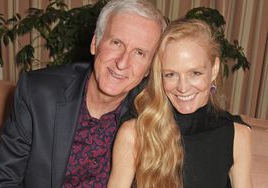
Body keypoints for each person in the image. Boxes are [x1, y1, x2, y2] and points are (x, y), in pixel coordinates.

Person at [0, 0, 166, 187]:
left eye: (139, 53)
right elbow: (1, 178)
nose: (122, 63)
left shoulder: (152, 116)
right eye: (116, 42)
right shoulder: (38, 93)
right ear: (95, 43)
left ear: (148, 69)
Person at [108, 19, 252, 188]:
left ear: (214, 69)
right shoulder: (134, 133)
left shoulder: (237, 135)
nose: (182, 88)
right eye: (170, 74)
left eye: (195, 73)